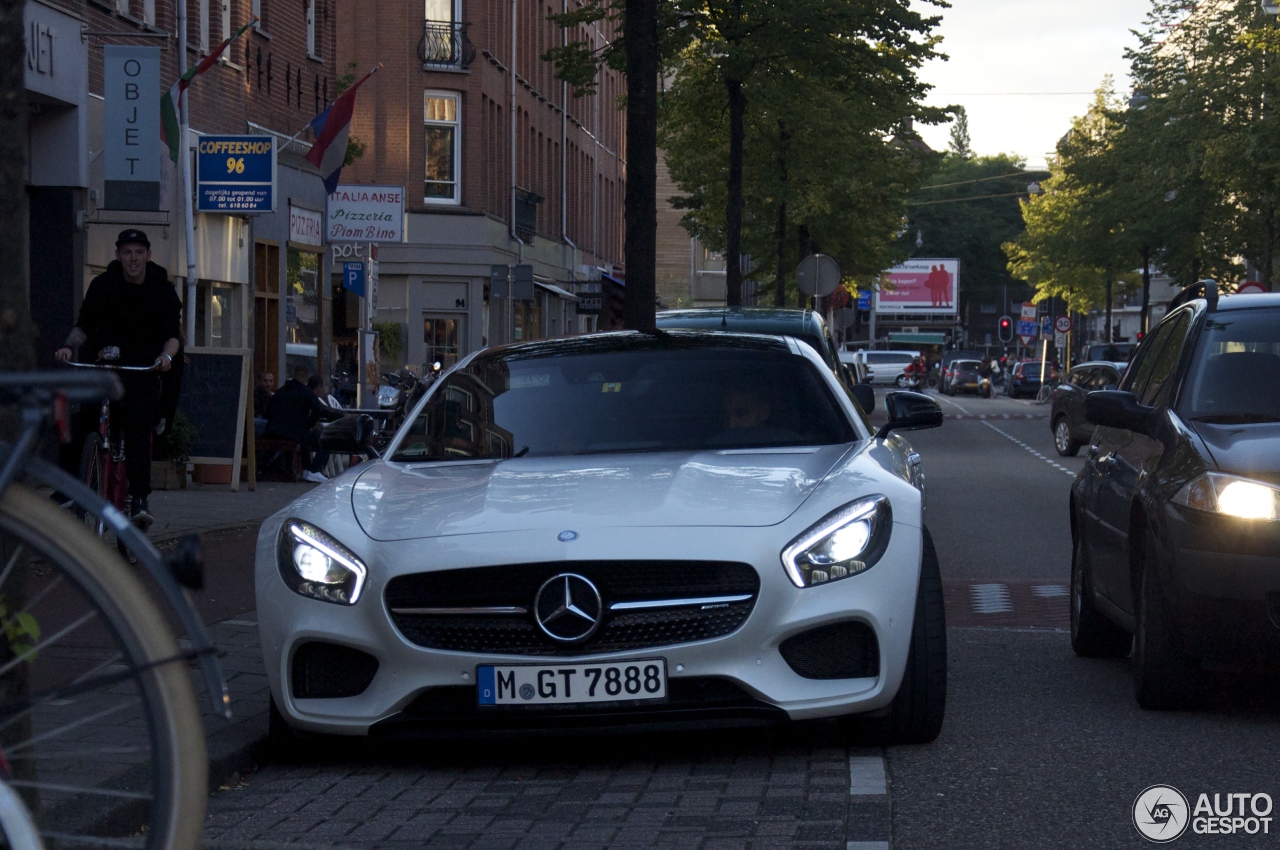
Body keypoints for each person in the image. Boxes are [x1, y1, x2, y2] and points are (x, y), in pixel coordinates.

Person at [54, 229, 181, 530]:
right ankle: (66, 489)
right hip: (107, 367)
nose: (133, 258)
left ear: (148, 255)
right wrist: (69, 346)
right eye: (127, 252)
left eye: (138, 252)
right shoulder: (103, 285)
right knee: (78, 417)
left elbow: (173, 336)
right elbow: (83, 324)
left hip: (142, 369)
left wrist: (166, 358)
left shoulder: (162, 288)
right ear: (118, 255)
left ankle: (139, 499)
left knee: (138, 425)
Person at [265, 367, 341, 483]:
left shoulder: (280, 392)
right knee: (326, 439)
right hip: (295, 433)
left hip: (274, 431)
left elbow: (268, 412)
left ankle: (306, 469)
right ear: (305, 378)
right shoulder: (306, 393)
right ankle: (313, 470)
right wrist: (342, 415)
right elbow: (321, 410)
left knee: (308, 434)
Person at [253, 372, 275, 436]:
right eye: (265, 381)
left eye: (270, 381)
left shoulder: (271, 397)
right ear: (259, 382)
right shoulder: (254, 395)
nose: (268, 384)